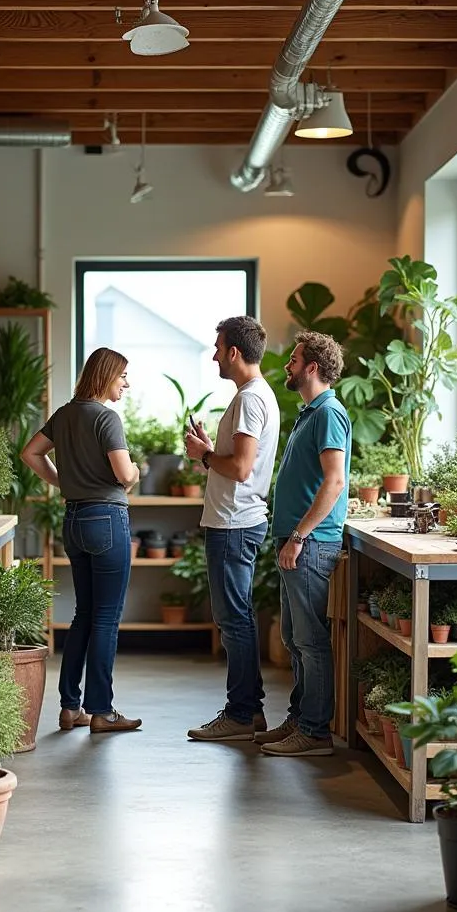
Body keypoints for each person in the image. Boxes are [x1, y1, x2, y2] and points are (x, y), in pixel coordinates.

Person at [20, 347, 142, 734]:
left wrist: (63, 482)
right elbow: (124, 475)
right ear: (105, 376)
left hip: (72, 519)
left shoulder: (65, 413)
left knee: (84, 614)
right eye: (122, 376)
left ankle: (70, 707)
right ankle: (102, 711)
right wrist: (136, 470)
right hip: (106, 519)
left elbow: (31, 453)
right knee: (106, 617)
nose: (127, 383)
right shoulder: (107, 418)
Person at [183, 316, 280, 742]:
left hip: (233, 524)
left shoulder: (250, 400)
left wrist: (205, 456)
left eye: (219, 348)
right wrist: (211, 448)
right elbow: (241, 460)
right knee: (236, 617)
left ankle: (241, 714)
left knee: (233, 620)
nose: (215, 355)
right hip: (237, 522)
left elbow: (241, 469)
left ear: (235, 353)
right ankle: (249, 712)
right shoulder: (253, 396)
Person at [256, 330, 351, 757]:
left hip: (311, 545)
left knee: (311, 641)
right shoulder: (311, 413)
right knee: (295, 638)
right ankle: (299, 719)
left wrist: (298, 536)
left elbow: (334, 482)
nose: (287, 366)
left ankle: (314, 732)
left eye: (293, 360)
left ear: (312, 367)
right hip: (298, 543)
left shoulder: (329, 413)